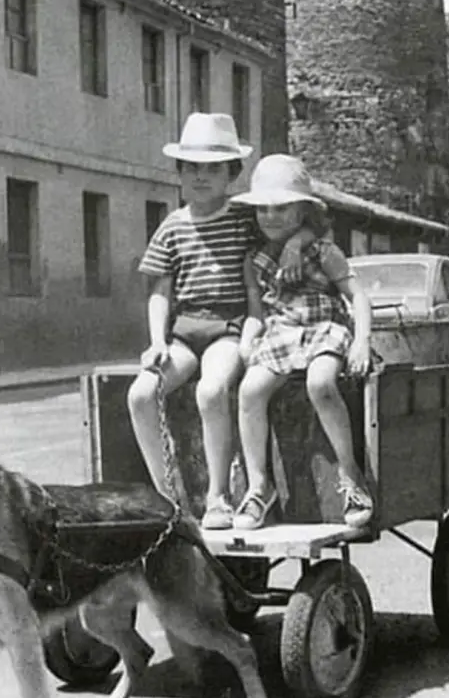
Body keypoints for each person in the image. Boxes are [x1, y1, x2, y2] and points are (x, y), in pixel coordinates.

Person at [127, 113, 307, 530]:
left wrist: (297, 242)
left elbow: (293, 229)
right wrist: (157, 342)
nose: (201, 177)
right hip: (184, 332)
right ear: (180, 174)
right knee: (140, 394)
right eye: (192, 168)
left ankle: (218, 496)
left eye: (213, 168)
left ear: (232, 173)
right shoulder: (172, 227)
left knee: (211, 391)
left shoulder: (246, 218)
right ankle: (169, 498)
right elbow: (160, 291)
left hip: (229, 327)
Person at [233, 153, 375, 531]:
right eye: (263, 209)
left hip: (323, 326)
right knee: (249, 391)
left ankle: (351, 475)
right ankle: (260, 485)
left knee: (321, 383)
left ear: (302, 212)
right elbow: (256, 311)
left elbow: (357, 297)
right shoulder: (256, 258)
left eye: (281, 208)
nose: (270, 217)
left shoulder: (323, 251)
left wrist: (361, 341)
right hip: (281, 333)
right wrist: (248, 341)